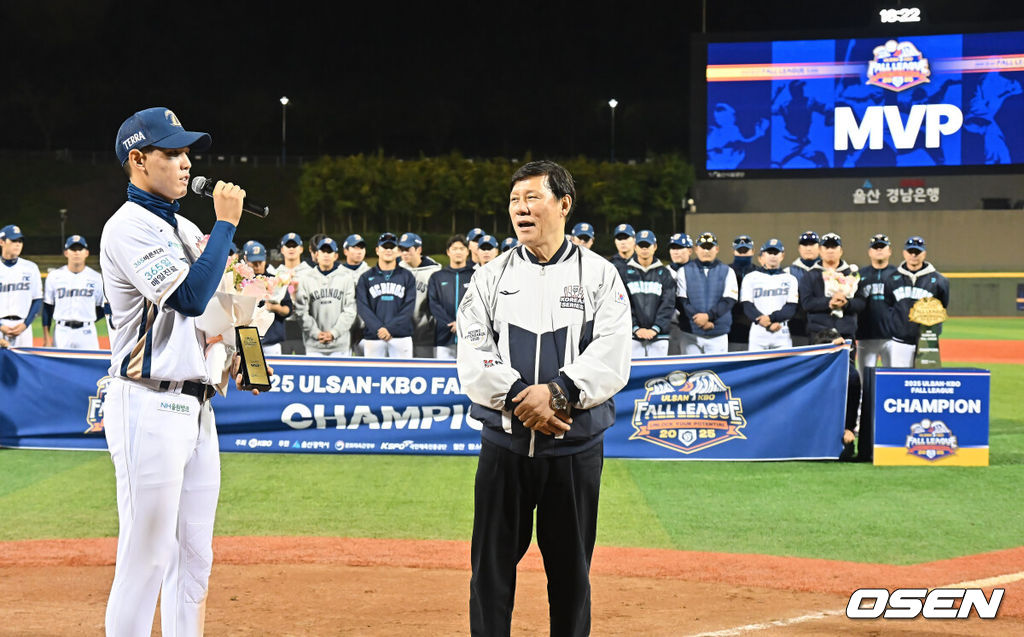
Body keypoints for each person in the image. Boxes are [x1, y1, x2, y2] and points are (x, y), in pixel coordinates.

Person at [101, 106, 270, 635]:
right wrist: (226, 224)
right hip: (147, 402)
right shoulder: (127, 228)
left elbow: (218, 312)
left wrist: (241, 349)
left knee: (195, 555)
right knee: (147, 556)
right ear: (137, 160)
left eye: (186, 152)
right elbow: (192, 297)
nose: (184, 162)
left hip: (197, 406)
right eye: (171, 152)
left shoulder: (186, 226)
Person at [458, 160, 631, 637]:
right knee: (490, 574)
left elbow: (614, 350)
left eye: (532, 197)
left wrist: (558, 392)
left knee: (571, 576)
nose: (521, 208)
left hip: (573, 451)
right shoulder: (489, 277)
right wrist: (520, 396)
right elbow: (473, 348)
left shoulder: (600, 275)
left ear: (564, 205)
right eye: (515, 200)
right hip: (504, 449)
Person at [884, 236, 950, 368]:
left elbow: (942, 306)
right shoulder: (892, 279)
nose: (914, 255)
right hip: (900, 341)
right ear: (904, 253)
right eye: (910, 251)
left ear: (924, 253)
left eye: (917, 252)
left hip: (927, 340)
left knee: (925, 382)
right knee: (900, 382)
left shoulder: (939, 280)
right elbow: (889, 304)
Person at [676, 231, 738, 355]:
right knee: (690, 372)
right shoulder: (683, 271)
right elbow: (682, 301)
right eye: (703, 247)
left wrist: (708, 317)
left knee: (717, 372)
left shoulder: (728, 271)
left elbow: (729, 300)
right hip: (690, 333)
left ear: (717, 249)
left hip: (717, 333)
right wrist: (699, 320)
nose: (706, 251)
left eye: (709, 247)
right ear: (696, 249)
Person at [356, 232, 417, 358]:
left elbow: (409, 307)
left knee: (403, 375)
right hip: (374, 336)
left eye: (392, 247)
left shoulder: (407, 276)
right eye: (385, 247)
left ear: (398, 251)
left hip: (401, 336)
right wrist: (379, 329)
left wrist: (390, 328)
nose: (388, 250)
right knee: (373, 376)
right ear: (377, 250)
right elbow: (362, 307)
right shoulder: (366, 277)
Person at [293, 237, 357, 357]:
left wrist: (334, 333)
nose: (326, 255)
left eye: (330, 252)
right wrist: (316, 333)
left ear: (336, 256)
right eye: (323, 251)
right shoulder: (306, 279)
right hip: (314, 344)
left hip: (340, 344)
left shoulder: (346, 278)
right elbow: (301, 311)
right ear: (317, 254)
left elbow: (350, 311)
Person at [799, 232, 865, 347]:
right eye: (826, 247)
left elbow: (861, 303)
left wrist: (846, 304)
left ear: (841, 251)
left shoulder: (852, 274)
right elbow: (806, 303)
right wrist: (828, 302)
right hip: (819, 334)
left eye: (834, 247)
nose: (830, 250)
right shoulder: (810, 275)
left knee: (847, 365)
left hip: (846, 333)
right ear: (820, 250)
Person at [41, 235, 106, 349]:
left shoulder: (96, 278)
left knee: (88, 365)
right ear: (66, 253)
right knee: (60, 365)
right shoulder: (54, 276)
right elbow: (47, 308)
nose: (76, 252)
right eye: (73, 249)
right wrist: (46, 337)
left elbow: (101, 308)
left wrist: (87, 317)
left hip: (87, 332)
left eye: (80, 249)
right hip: (62, 331)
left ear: (86, 253)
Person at [621, 230, 675, 358]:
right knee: (634, 374)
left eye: (648, 245)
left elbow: (668, 303)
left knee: (659, 375)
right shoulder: (624, 273)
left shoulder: (664, 273)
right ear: (635, 247)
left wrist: (656, 328)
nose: (644, 249)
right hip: (633, 336)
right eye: (641, 245)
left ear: (655, 247)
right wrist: (635, 328)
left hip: (659, 335)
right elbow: (623, 304)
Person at [739, 238, 799, 350]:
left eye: (776, 252)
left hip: (781, 331)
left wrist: (770, 319)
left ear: (782, 256)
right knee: (757, 366)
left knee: (784, 366)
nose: (773, 256)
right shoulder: (750, 278)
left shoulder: (791, 279)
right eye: (769, 252)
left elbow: (790, 308)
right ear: (762, 255)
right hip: (758, 332)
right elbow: (747, 306)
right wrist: (766, 324)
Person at [427, 234, 475, 359]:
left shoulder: (476, 276)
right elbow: (433, 303)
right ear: (448, 252)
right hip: (444, 336)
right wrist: (450, 323)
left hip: (470, 337)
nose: (458, 252)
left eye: (461, 248)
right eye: (454, 248)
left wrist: (462, 323)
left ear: (467, 252)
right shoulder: (437, 277)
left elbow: (478, 303)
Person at [856, 233, 897, 372]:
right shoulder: (860, 275)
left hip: (893, 337)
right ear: (869, 252)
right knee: (864, 380)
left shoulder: (898, 274)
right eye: (875, 247)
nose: (879, 250)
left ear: (889, 251)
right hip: (866, 335)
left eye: (882, 247)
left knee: (893, 379)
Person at [243, 241, 293, 356]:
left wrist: (274, 307)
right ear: (246, 260)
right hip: (249, 340)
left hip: (272, 341)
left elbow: (288, 310)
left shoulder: (276, 281)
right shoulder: (241, 282)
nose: (257, 265)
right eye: (253, 262)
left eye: (260, 262)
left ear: (265, 260)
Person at [398, 232, 442, 358]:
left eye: (408, 249)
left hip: (425, 334)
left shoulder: (434, 272)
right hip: (400, 334)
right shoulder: (397, 270)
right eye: (402, 249)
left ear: (419, 249)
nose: (404, 253)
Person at [0, 224, 43, 348]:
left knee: (23, 367)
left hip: (23, 328)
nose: (18, 244)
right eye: (13, 240)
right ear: (1, 242)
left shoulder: (31, 268)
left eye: (20, 241)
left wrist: (25, 324)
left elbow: (37, 299)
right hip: (0, 325)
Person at [787, 230, 820, 345]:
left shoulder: (828, 270)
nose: (808, 248)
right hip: (796, 326)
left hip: (821, 326)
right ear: (799, 248)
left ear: (819, 247)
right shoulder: (788, 272)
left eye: (812, 244)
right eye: (805, 245)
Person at [341, 233, 370, 355]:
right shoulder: (337, 273)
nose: (359, 251)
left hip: (365, 327)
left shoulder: (371, 273)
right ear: (346, 251)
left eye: (361, 248)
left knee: (368, 367)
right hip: (343, 327)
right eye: (355, 247)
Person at [666, 233, 694, 355]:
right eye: (673, 248)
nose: (676, 252)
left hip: (691, 323)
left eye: (680, 248)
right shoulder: (664, 271)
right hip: (669, 325)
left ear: (689, 250)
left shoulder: (697, 271)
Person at [728, 234, 756, 351]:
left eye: (746, 250)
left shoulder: (758, 272)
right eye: (740, 251)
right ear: (733, 251)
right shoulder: (727, 271)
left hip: (754, 326)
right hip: (732, 328)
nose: (743, 254)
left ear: (753, 251)